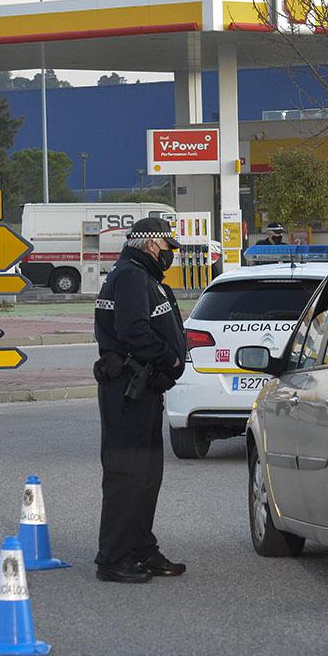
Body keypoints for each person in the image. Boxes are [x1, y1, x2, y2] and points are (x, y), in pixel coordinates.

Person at [92, 216, 188, 583]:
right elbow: (132, 330)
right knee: (127, 474)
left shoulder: (142, 276)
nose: (170, 255)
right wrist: (170, 358)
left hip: (144, 389)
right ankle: (113, 558)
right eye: (168, 248)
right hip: (128, 390)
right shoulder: (131, 276)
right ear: (152, 245)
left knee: (147, 476)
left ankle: (141, 548)